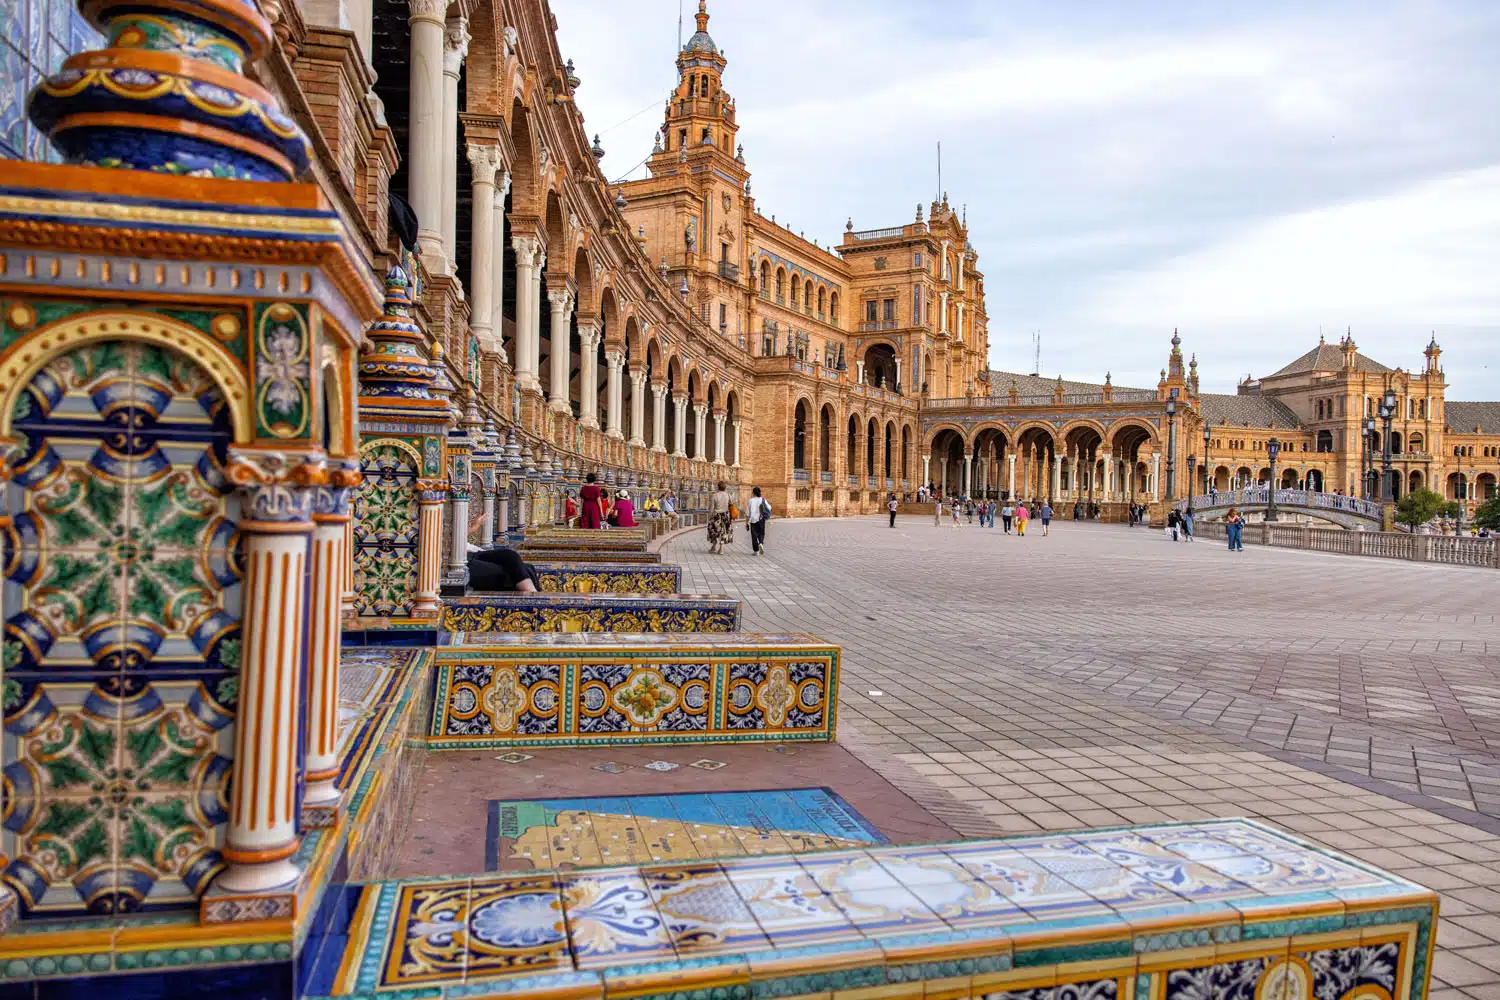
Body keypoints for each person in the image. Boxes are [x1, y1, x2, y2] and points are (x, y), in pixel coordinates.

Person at [467, 545, 539, 592]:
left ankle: (532, 592)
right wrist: (474, 527)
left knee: (511, 555)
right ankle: (531, 593)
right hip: (461, 560)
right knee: (520, 571)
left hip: (471, 553)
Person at [707, 480, 732, 554]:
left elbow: (711, 508)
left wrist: (710, 517)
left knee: (714, 531)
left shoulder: (715, 495)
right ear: (725, 487)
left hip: (716, 516)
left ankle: (714, 547)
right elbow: (731, 504)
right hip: (725, 515)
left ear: (718, 487)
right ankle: (721, 549)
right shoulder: (728, 495)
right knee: (723, 531)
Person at [746, 486, 771, 553]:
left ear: (753, 493)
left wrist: (746, 523)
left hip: (753, 520)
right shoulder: (763, 499)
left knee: (754, 535)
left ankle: (756, 550)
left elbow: (747, 514)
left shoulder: (750, 501)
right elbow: (769, 507)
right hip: (761, 519)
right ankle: (760, 543)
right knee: (761, 533)